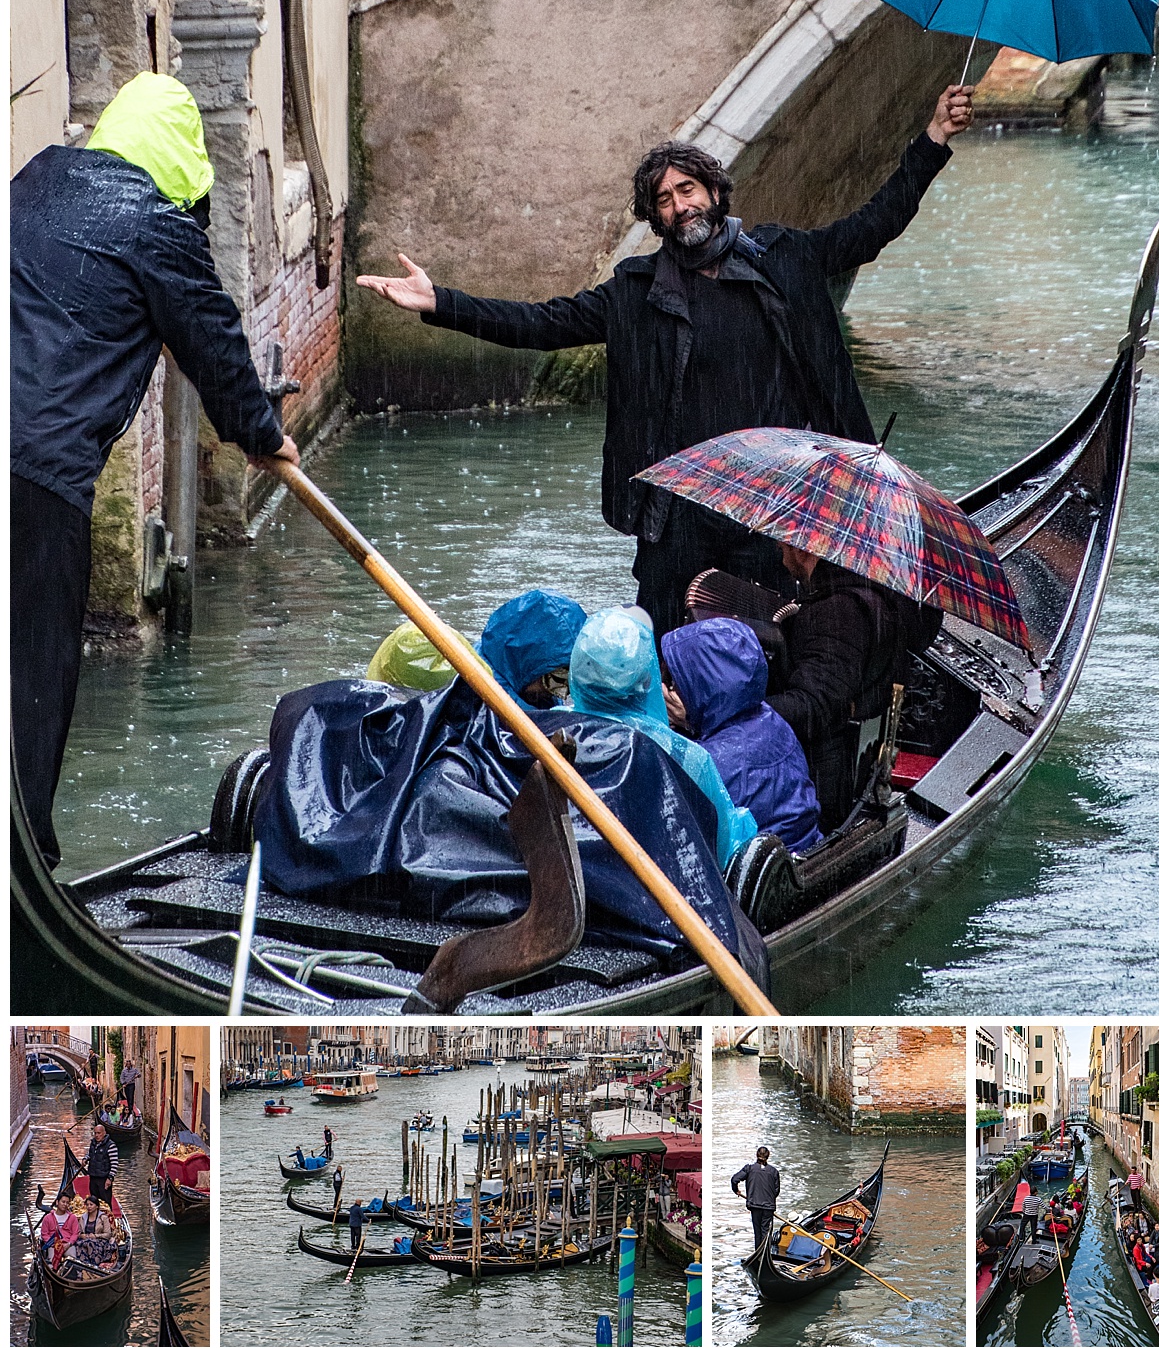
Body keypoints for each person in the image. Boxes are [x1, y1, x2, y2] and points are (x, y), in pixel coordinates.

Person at [358, 91, 972, 642]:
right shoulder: (635, 293)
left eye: (688, 190)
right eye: (665, 199)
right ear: (655, 217)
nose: (680, 206)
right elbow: (541, 325)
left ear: (713, 192)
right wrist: (441, 302)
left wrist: (934, 138)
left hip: (780, 501)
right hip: (682, 507)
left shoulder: (786, 259)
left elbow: (873, 228)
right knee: (668, 638)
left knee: (779, 639)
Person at [11, 73, 298, 868]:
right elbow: (214, 341)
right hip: (37, 475)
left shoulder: (36, 177)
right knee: (34, 680)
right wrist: (264, 434)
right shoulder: (157, 227)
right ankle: (24, 862)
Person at [762, 540, 942, 829]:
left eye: (784, 545)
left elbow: (812, 707)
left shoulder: (836, 612)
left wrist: (734, 715)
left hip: (819, 781)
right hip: (851, 771)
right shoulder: (879, 592)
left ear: (805, 548)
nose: (781, 554)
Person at [568, 607, 757, 869]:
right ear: (648, 679)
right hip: (653, 892)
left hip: (577, 880)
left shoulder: (543, 732)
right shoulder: (686, 756)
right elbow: (723, 849)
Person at [661, 617, 822, 853]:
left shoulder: (715, 762)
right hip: (801, 849)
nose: (665, 689)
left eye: (672, 681)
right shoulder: (769, 719)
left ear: (702, 686)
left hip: (758, 876)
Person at [478, 588, 587, 706]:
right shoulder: (479, 704)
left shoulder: (500, 662)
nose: (564, 694)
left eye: (571, 683)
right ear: (526, 664)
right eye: (558, 680)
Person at [731, 1146, 780, 1252]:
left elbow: (734, 1180)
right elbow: (776, 1191)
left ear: (757, 1155)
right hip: (768, 1206)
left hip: (755, 1205)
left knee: (758, 1232)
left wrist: (736, 1190)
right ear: (768, 1156)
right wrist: (768, 1198)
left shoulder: (749, 1169)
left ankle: (759, 1254)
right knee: (766, 1232)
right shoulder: (774, 1171)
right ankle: (764, 1253)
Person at [40, 1193, 81, 1267]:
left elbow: (75, 1233)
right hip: (53, 1245)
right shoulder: (47, 1218)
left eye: (67, 1203)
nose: (65, 1204)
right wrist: (53, 1244)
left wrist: (69, 1244)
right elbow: (44, 1234)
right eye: (63, 1202)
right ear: (57, 1202)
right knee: (51, 1264)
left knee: (73, 1261)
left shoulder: (72, 1218)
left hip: (67, 1244)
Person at [86, 1123, 119, 1207]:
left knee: (105, 1203)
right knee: (94, 1202)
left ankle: (107, 1219)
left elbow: (114, 1164)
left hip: (104, 1179)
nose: (96, 1135)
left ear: (104, 1133)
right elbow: (90, 1154)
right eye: (95, 1133)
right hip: (93, 1177)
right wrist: (85, 1159)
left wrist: (110, 1178)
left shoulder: (111, 1145)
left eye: (99, 1133)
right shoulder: (93, 1143)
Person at [76, 1196, 115, 1267]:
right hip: (86, 1240)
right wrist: (81, 1235)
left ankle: (93, 1265)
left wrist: (95, 1236)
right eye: (87, 1205)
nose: (89, 1207)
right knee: (79, 1244)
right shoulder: (83, 1218)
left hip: (100, 1241)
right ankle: (82, 1266)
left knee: (90, 1243)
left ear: (96, 1206)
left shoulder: (103, 1218)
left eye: (91, 1204)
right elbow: (78, 1232)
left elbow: (108, 1234)